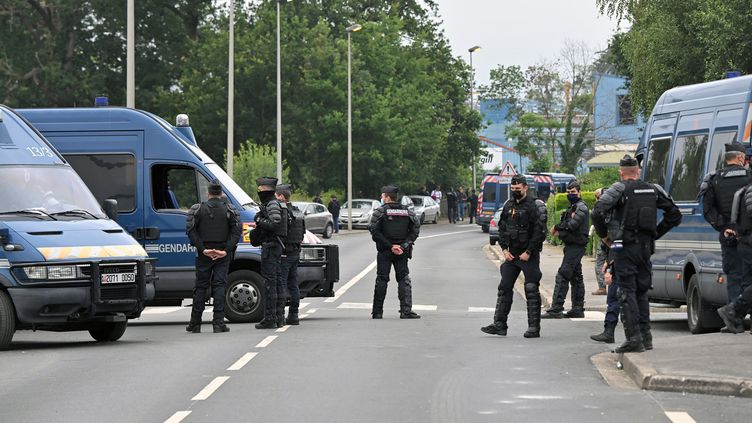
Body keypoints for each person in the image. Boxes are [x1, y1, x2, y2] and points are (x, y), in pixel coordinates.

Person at [592, 155, 681, 353]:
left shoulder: (619, 188)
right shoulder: (653, 189)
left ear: (621, 172)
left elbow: (597, 211)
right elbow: (675, 214)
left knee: (625, 291)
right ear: (638, 171)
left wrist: (605, 237)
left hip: (624, 248)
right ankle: (645, 337)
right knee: (641, 291)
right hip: (645, 248)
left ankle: (633, 339)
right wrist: (655, 234)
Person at [481, 175, 547, 338]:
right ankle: (499, 325)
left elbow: (540, 232)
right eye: (513, 189)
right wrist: (504, 249)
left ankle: (534, 328)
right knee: (504, 287)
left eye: (518, 189)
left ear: (525, 187)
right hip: (512, 255)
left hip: (528, 255)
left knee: (531, 289)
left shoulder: (533, 206)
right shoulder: (508, 205)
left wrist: (529, 252)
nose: (515, 191)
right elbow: (502, 228)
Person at [185, 179, 241, 333]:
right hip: (222, 253)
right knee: (220, 286)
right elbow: (236, 233)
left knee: (201, 287)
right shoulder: (230, 210)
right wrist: (225, 250)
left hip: (204, 254)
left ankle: (195, 323)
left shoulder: (197, 209)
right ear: (221, 193)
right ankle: (218, 323)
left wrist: (203, 249)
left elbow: (191, 231)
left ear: (208, 193)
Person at [699, 142, 751, 306]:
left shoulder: (714, 179)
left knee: (734, 275)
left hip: (728, 235)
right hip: (748, 235)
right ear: (741, 157)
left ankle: (734, 318)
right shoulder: (750, 176)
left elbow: (708, 210)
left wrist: (724, 227)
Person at [369, 185, 421, 319]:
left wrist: (390, 246)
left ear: (387, 197)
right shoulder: (408, 212)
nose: (381, 198)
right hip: (401, 252)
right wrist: (402, 246)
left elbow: (374, 231)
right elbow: (415, 230)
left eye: (382, 196)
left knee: (381, 279)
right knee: (404, 279)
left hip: (385, 252)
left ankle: (377, 312)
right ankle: (406, 311)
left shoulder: (380, 212)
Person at [543, 180, 589, 319]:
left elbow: (572, 225)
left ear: (579, 192)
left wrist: (558, 227)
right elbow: (567, 223)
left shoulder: (581, 207)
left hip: (576, 246)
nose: (570, 194)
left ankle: (557, 308)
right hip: (571, 246)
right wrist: (562, 226)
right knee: (576, 277)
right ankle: (577, 308)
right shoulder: (573, 207)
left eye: (573, 192)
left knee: (563, 274)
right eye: (568, 192)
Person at [250, 177, 289, 329]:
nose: (258, 192)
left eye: (260, 190)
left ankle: (271, 319)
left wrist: (259, 220)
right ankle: (278, 317)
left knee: (270, 284)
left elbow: (274, 223)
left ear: (266, 190)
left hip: (271, 248)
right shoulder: (274, 203)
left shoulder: (272, 204)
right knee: (277, 282)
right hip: (274, 247)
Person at [276, 184, 305, 326]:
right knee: (293, 284)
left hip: (285, 253)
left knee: (281, 284)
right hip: (295, 252)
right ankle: (294, 315)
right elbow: (302, 233)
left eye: (277, 196)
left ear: (282, 196)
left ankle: (280, 316)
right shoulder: (298, 212)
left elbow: (281, 233)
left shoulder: (283, 212)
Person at [590, 240, 620, 343]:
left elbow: (618, 243)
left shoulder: (619, 227)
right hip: (636, 261)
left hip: (622, 264)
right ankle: (641, 337)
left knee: (614, 298)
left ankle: (609, 332)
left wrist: (609, 267)